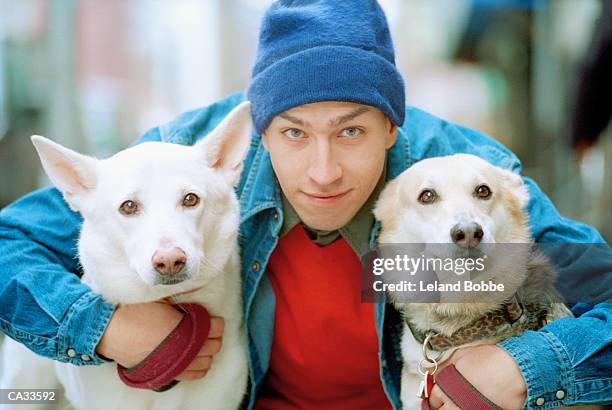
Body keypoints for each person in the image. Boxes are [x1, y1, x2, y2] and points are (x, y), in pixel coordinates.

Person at [0, 1, 610, 409]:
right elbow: (11, 241)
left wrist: (525, 367)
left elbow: (602, 293)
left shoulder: (463, 183)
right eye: (294, 132)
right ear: (257, 133)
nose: (323, 172)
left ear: (394, 127)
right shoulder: (193, 160)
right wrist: (101, 327)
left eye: (351, 131)